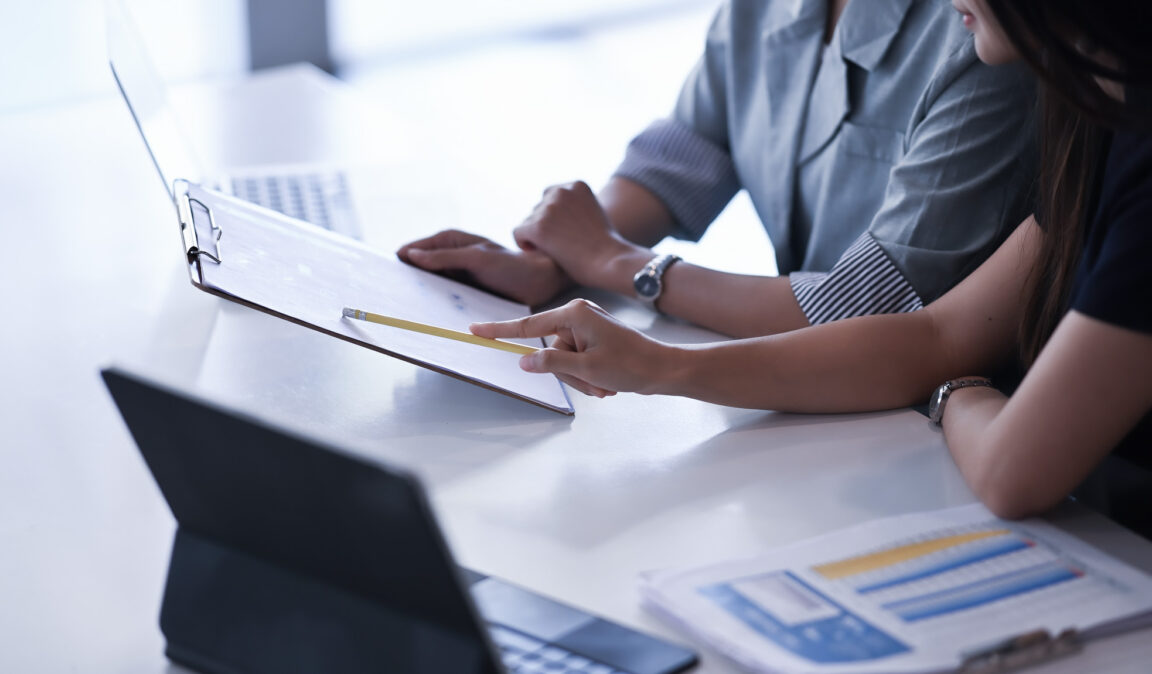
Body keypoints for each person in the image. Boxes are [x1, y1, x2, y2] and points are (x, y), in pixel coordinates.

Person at [470, 0, 1152, 527]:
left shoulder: (1004, 58)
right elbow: (940, 337)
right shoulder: (1096, 120)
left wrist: (953, 387)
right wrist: (591, 289)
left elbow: (1001, 455)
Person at [398, 0, 1037, 339]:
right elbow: (688, 151)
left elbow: (866, 309)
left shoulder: (988, 27)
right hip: (807, 399)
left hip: (938, 419)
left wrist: (615, 263)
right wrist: (554, 262)